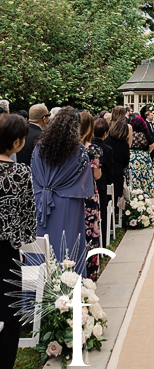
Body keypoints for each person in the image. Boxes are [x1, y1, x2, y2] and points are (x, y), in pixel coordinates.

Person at [31, 107, 94, 276]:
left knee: (42, 245)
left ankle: (38, 291)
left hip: (42, 201)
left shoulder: (39, 147)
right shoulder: (78, 150)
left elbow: (34, 174)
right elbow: (85, 180)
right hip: (68, 202)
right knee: (67, 246)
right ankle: (67, 287)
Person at [0, 113, 36, 368]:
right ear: (16, 143)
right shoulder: (21, 172)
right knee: (9, 313)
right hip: (6, 251)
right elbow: (28, 220)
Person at [80, 111, 102, 280]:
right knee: (91, 230)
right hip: (88, 194)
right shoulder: (92, 149)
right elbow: (97, 175)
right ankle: (91, 271)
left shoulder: (67, 148)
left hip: (72, 195)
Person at [92, 116, 113, 243]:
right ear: (106, 133)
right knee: (102, 214)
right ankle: (103, 241)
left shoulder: (87, 147)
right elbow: (110, 170)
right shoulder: (107, 149)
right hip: (101, 184)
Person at [105, 117, 131, 212]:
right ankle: (115, 213)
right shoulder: (124, 145)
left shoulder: (106, 141)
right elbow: (126, 162)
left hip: (106, 173)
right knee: (115, 196)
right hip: (117, 174)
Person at [128, 116, 154, 195]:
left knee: (133, 176)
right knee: (145, 177)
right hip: (144, 157)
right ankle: (145, 194)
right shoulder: (145, 133)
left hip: (132, 157)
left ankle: (133, 194)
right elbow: (151, 145)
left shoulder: (129, 134)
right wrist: (146, 152)